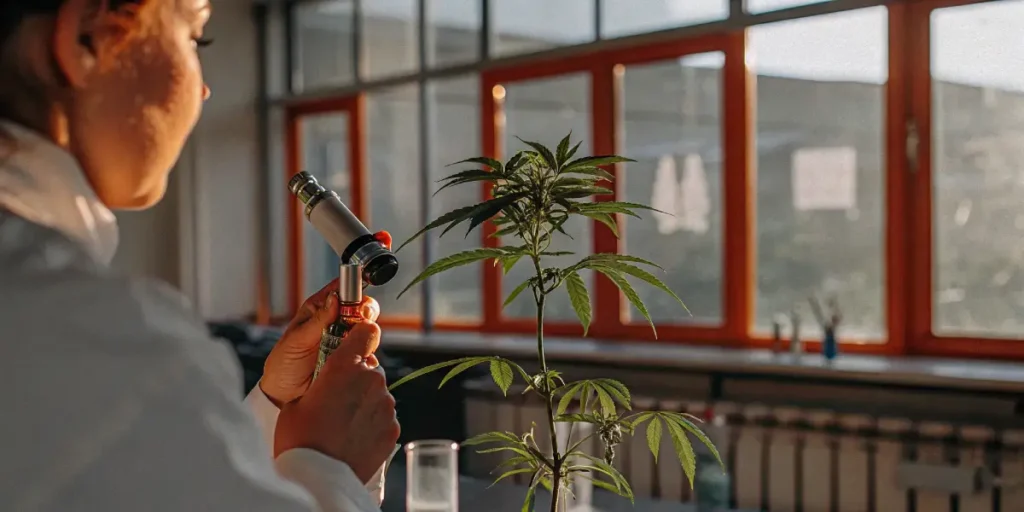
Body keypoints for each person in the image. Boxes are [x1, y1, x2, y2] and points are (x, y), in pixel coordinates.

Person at [0, 1, 401, 511]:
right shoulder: (100, 339)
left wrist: (276, 404)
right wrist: (330, 468)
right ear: (87, 38)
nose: (204, 90)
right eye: (195, 38)